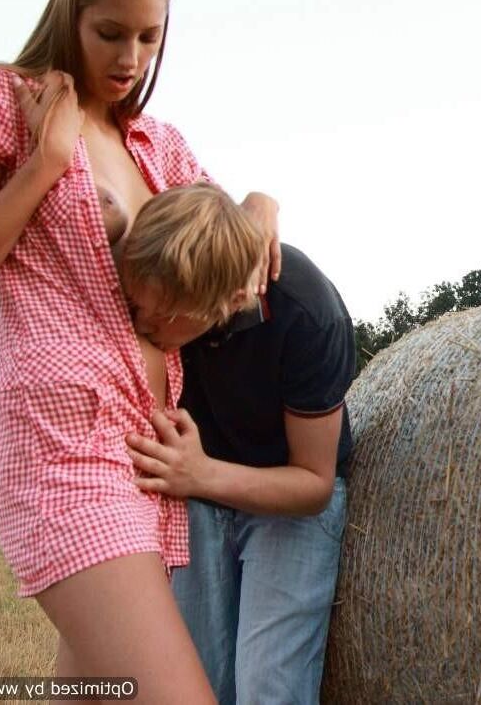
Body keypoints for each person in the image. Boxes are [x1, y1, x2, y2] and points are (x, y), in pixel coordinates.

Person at [0, 0, 281, 703]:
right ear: (70, 14)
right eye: (110, 33)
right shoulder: (4, 100)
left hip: (141, 458)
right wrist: (44, 162)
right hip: (63, 450)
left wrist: (260, 203)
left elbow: (225, 244)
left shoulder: (159, 147)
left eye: (149, 37)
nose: (131, 58)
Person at [119, 183, 355, 705]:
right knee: (191, 682)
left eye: (162, 317)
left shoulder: (307, 314)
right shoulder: (173, 267)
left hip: (287, 503)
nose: (142, 325)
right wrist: (258, 197)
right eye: (139, 307)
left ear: (228, 301)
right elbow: (211, 205)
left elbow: (314, 484)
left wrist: (199, 475)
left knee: (268, 688)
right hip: (199, 499)